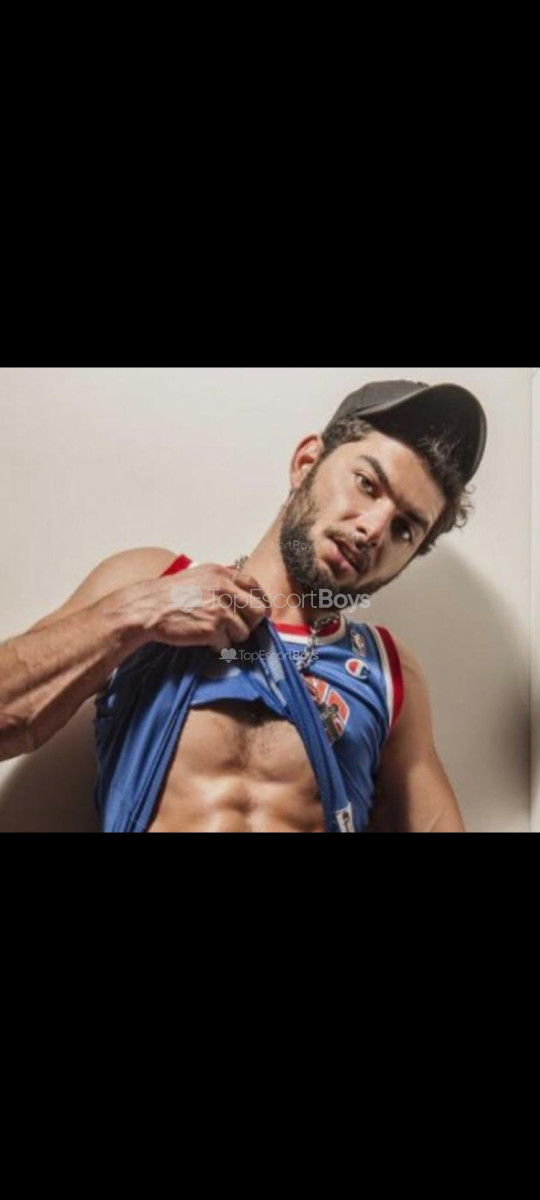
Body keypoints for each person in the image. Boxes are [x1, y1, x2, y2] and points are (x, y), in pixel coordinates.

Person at [0, 379, 488, 833]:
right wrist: (140, 613)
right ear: (306, 462)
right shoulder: (154, 581)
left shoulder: (388, 673)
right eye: (366, 483)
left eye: (404, 529)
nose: (373, 529)